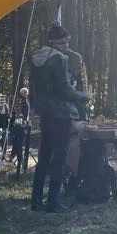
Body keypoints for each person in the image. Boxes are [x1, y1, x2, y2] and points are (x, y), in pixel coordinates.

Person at [29, 25, 88, 213]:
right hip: (61, 113)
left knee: (44, 156)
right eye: (66, 42)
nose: (67, 45)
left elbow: (36, 88)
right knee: (60, 157)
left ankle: (36, 199)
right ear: (60, 42)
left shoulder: (37, 58)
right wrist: (82, 96)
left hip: (45, 112)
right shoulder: (60, 58)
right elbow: (64, 90)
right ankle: (53, 201)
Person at [9, 87, 31, 163]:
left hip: (22, 122)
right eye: (24, 92)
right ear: (21, 93)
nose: (25, 94)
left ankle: (14, 158)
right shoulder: (19, 100)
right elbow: (17, 112)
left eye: (26, 93)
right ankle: (16, 158)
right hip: (18, 123)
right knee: (18, 141)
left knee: (19, 141)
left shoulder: (25, 101)